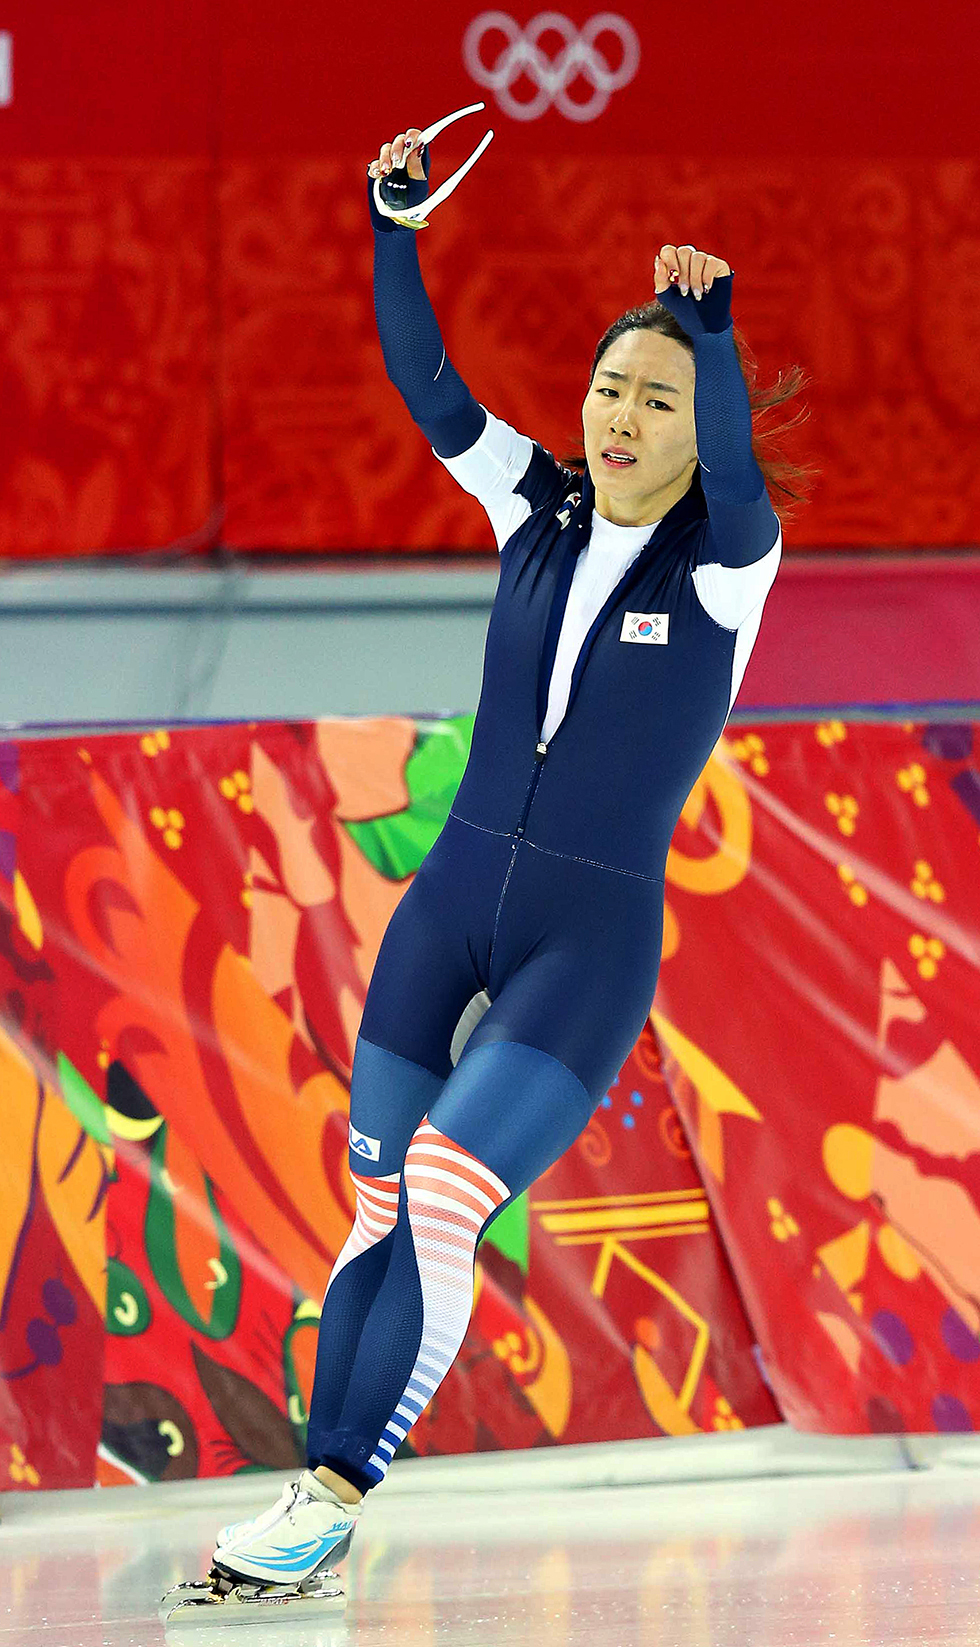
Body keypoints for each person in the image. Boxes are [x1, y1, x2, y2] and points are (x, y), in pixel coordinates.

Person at [162, 122, 798, 1623]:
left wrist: (710, 333)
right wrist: (392, 229)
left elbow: (750, 469)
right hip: (447, 908)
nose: (625, 414)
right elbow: (425, 384)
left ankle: (332, 1499)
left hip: (586, 939)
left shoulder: (730, 561)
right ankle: (312, 1493)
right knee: (373, 1207)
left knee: (445, 1192)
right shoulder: (537, 503)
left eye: (660, 397)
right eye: (609, 389)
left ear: (704, 422)